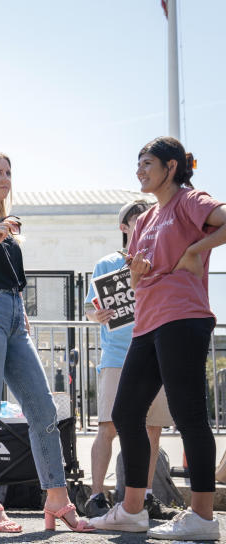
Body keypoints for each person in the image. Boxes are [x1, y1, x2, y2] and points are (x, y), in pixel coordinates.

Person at [0, 152, 94, 533]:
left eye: (9, 172)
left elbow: (11, 281)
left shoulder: (5, 227)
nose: (6, 178)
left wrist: (19, 312)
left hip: (13, 316)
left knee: (43, 408)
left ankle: (58, 499)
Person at [90, 137, 226, 540]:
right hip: (146, 325)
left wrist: (196, 249)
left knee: (189, 416)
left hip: (184, 318)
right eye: (137, 163)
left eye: (147, 163)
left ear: (171, 166)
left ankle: (202, 518)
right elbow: (135, 279)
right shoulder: (147, 219)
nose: (139, 170)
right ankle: (132, 510)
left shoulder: (189, 200)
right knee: (126, 414)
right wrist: (137, 271)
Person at [83, 199, 179, 520]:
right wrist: (97, 314)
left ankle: (146, 496)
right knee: (108, 426)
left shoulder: (163, 261)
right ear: (123, 227)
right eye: (137, 220)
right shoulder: (107, 263)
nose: (144, 224)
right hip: (117, 356)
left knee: (153, 428)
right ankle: (96, 495)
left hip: (156, 353)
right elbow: (89, 307)